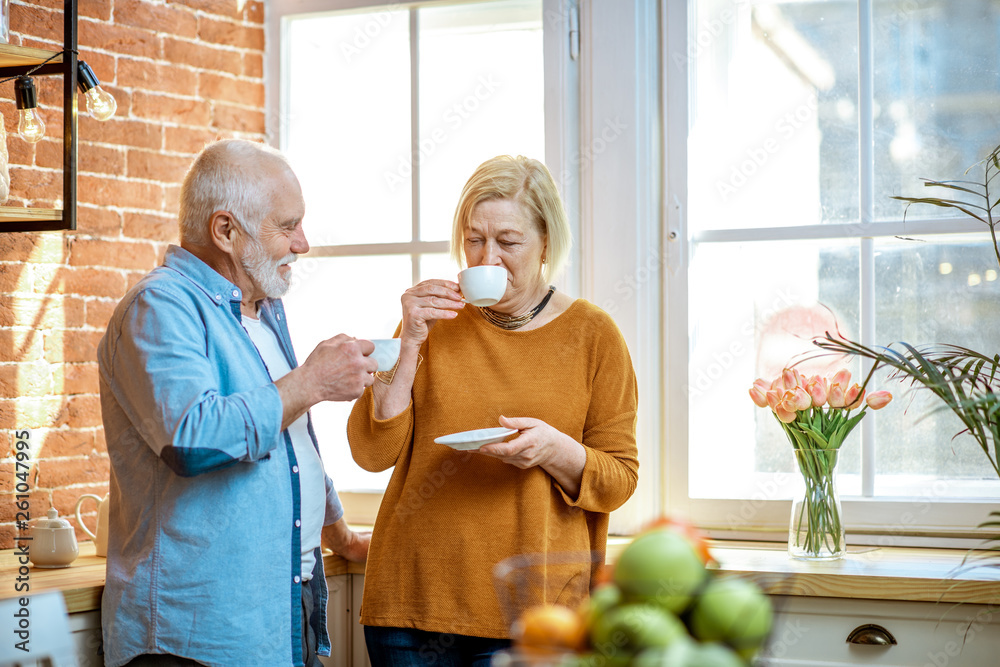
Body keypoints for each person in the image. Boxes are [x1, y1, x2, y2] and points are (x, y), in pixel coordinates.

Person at [347, 155, 640, 665]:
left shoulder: (594, 336)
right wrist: (411, 340)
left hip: (533, 617)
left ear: (546, 241)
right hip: (410, 608)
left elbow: (618, 479)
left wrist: (555, 451)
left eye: (508, 241)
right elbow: (372, 453)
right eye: (474, 239)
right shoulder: (433, 323)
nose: (487, 258)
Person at [98, 139, 377, 667]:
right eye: (287, 225)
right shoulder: (160, 305)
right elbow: (192, 438)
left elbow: (289, 434)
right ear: (226, 231)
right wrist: (311, 381)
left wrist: (335, 530)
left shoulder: (262, 309)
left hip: (283, 612)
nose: (303, 244)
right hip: (195, 638)